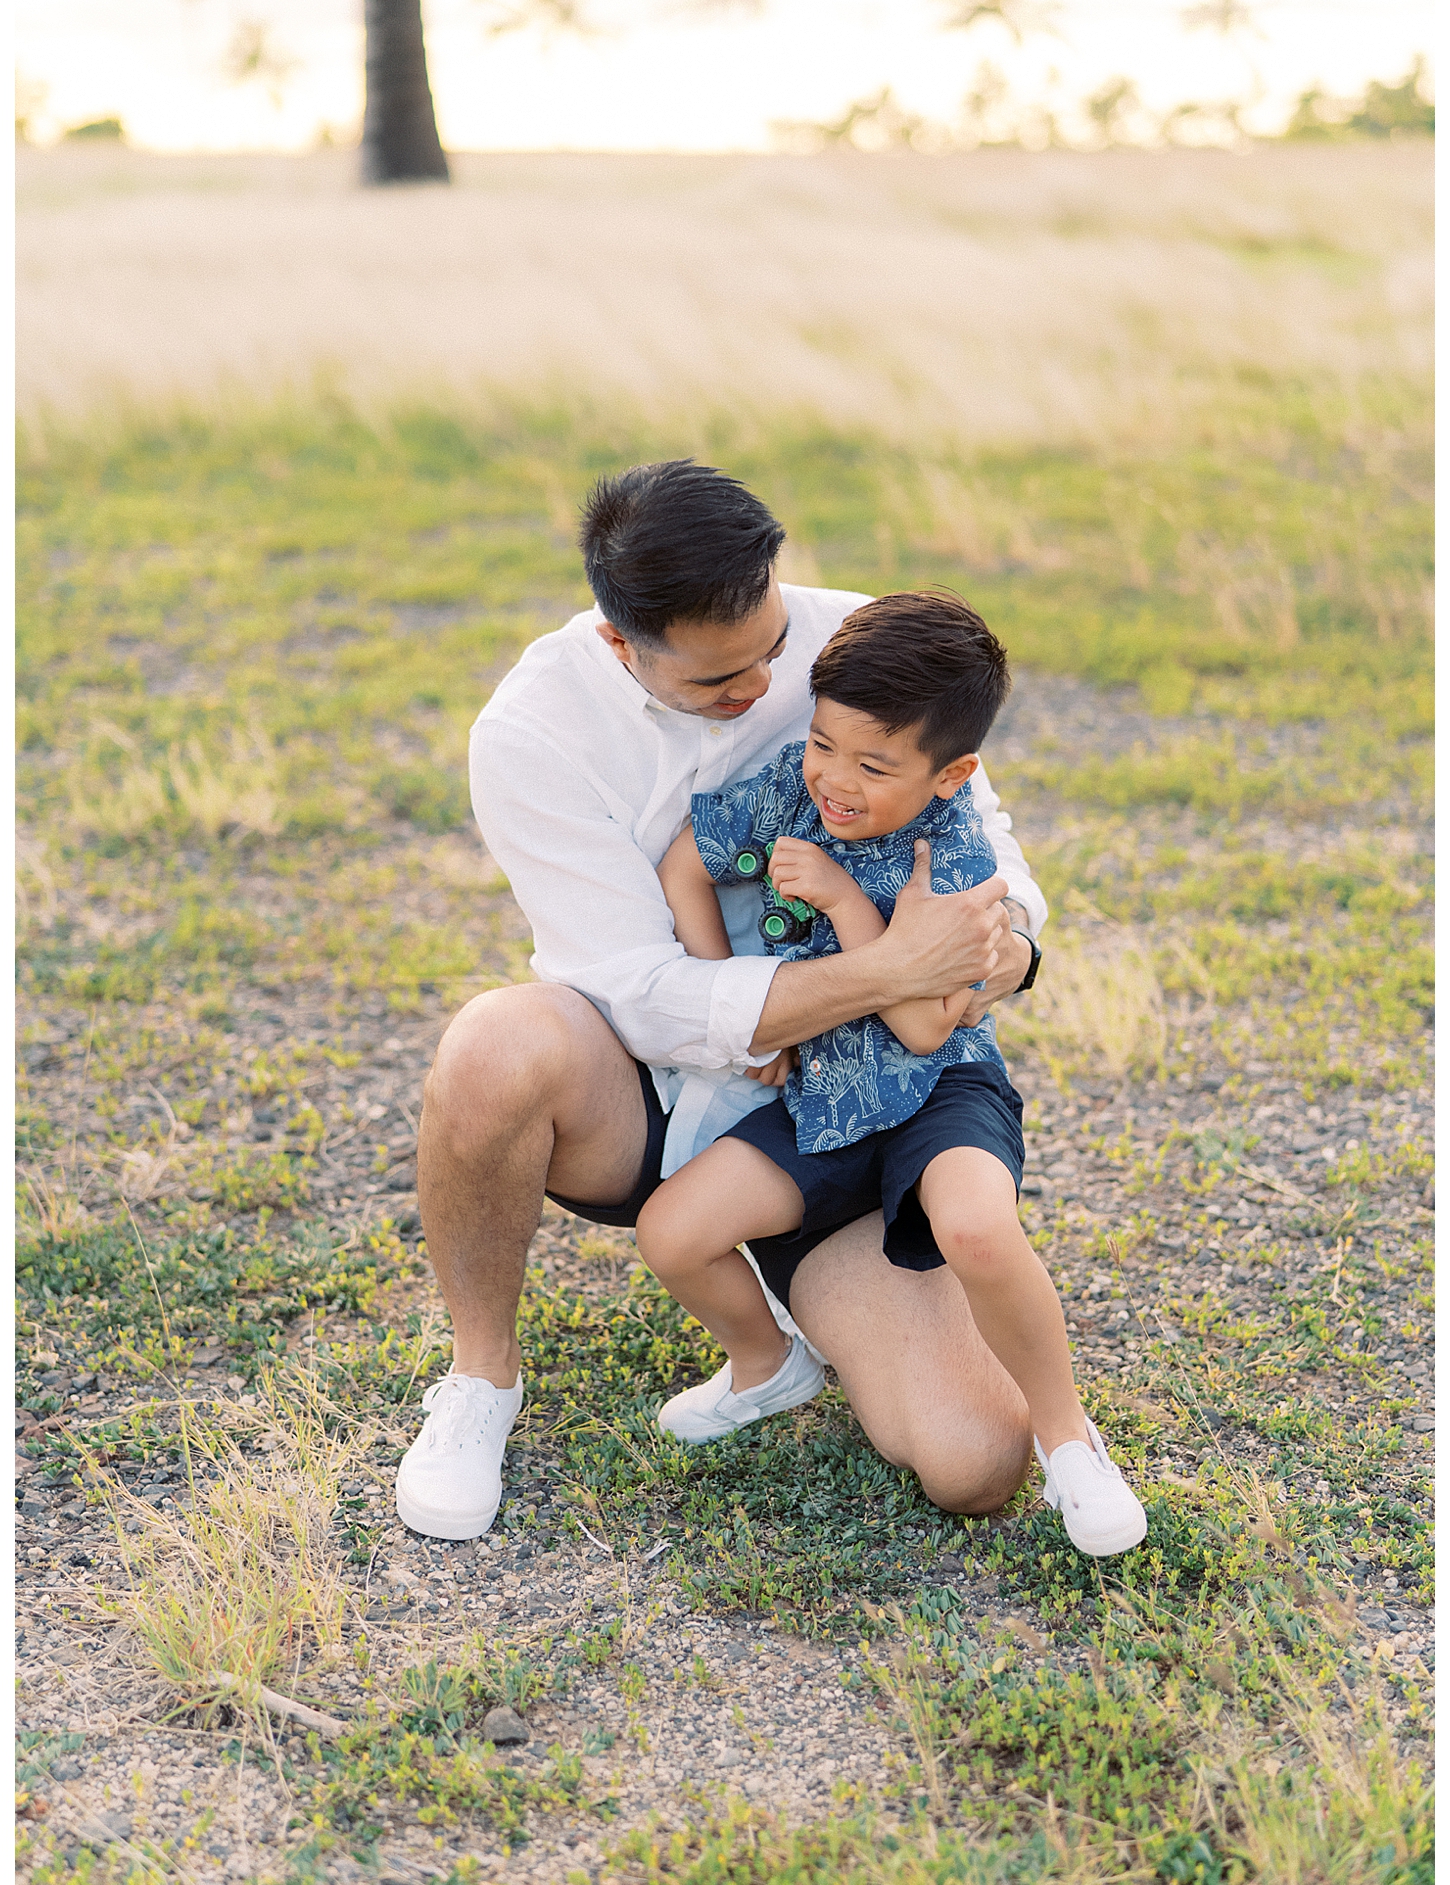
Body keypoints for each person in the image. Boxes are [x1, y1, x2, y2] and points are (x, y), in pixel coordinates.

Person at [397, 459, 1046, 1544]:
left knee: (973, 1459)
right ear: (620, 645)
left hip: (848, 1108)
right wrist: (888, 971)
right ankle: (480, 1382)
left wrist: (1003, 953)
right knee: (492, 1044)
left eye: (769, 651)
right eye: (715, 682)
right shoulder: (531, 732)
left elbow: (991, 861)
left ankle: (802, 1288)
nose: (758, 689)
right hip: (652, 1103)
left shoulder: (856, 648)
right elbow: (641, 998)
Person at [638, 591, 1146, 1558]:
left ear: (952, 773)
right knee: (674, 1231)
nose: (834, 779)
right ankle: (764, 1362)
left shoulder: (953, 852)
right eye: (825, 743)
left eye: (873, 766)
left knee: (977, 1230)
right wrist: (737, 1005)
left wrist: (840, 897)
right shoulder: (796, 783)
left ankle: (1070, 1442)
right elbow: (684, 867)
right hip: (822, 1099)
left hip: (938, 1089)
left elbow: (920, 1025)